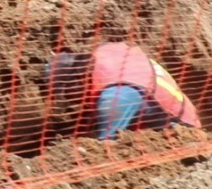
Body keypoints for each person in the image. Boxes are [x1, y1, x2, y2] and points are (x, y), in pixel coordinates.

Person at [44, 42, 201, 140]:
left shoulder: (114, 99)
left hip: (181, 134)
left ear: (77, 79)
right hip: (175, 109)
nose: (71, 100)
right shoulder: (108, 52)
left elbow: (103, 150)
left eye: (67, 93)